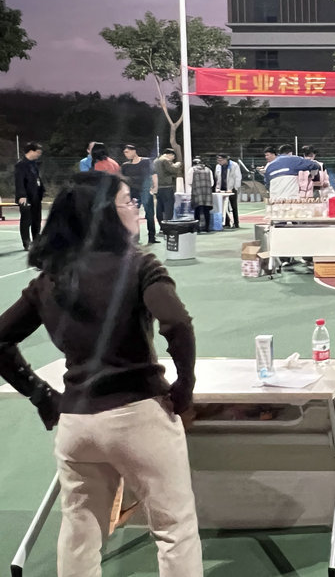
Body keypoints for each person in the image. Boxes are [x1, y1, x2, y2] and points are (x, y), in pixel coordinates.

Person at [0, 172, 202, 576]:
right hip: (138, 415)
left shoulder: (50, 279)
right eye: (128, 201)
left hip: (76, 423)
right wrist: (184, 385)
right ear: (106, 214)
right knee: (173, 528)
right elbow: (177, 322)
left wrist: (41, 395)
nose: (136, 208)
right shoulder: (139, 265)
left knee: (80, 531)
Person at [122, 144, 159, 244]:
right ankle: (135, 238)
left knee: (150, 215)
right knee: (133, 216)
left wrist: (155, 187)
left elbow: (153, 174)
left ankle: (152, 237)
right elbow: (123, 180)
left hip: (145, 191)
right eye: (125, 152)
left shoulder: (146, 161)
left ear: (134, 151)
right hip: (132, 192)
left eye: (127, 152)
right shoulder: (125, 166)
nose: (126, 154)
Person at [14, 142, 45, 252]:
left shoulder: (34, 164)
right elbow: (19, 181)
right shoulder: (20, 165)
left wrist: (41, 191)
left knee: (37, 219)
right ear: (31, 151)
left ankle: (36, 241)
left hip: (36, 196)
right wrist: (22, 196)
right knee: (26, 220)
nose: (39, 154)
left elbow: (37, 179)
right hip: (26, 197)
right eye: (38, 152)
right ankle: (26, 242)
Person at [153, 148, 182, 227]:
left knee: (159, 207)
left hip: (158, 187)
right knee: (168, 208)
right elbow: (173, 169)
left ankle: (161, 226)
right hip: (167, 187)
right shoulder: (165, 160)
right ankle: (168, 226)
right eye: (173, 157)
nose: (173, 159)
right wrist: (178, 164)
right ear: (170, 154)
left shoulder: (155, 161)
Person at [214, 153, 242, 228]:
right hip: (222, 189)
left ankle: (236, 223)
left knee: (233, 206)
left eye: (221, 160)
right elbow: (217, 177)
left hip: (231, 188)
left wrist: (235, 188)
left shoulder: (234, 165)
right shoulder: (218, 166)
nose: (219, 161)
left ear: (226, 159)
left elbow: (238, 177)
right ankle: (227, 222)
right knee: (223, 206)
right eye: (218, 160)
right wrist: (217, 188)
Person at [190, 158, 215, 232]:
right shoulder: (208, 170)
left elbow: (189, 181)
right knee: (206, 210)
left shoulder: (192, 169)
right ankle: (207, 228)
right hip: (207, 192)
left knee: (197, 209)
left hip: (197, 191)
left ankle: (197, 228)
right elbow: (212, 183)